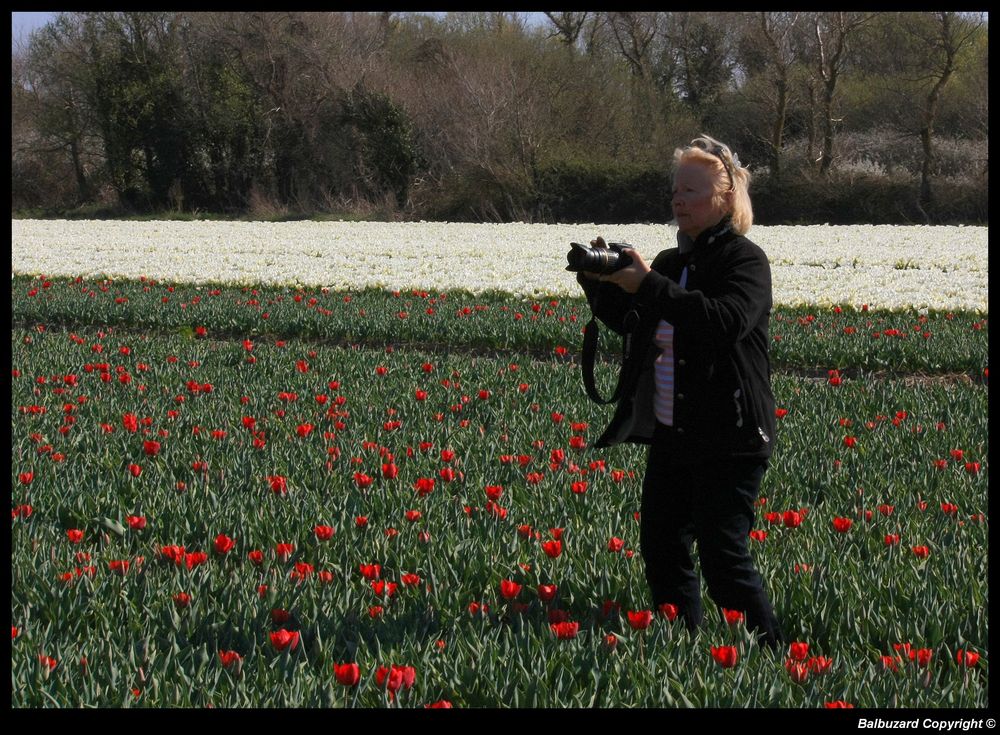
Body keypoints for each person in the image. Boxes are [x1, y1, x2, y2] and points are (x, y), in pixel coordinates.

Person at [576, 134, 783, 648]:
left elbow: (722, 322)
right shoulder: (671, 263)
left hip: (731, 434)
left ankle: (773, 653)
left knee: (723, 556)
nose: (678, 200)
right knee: (662, 547)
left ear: (725, 198)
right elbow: (634, 321)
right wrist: (598, 282)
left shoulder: (745, 262)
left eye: (690, 191)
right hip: (674, 432)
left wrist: (648, 284)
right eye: (675, 190)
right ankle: (681, 644)